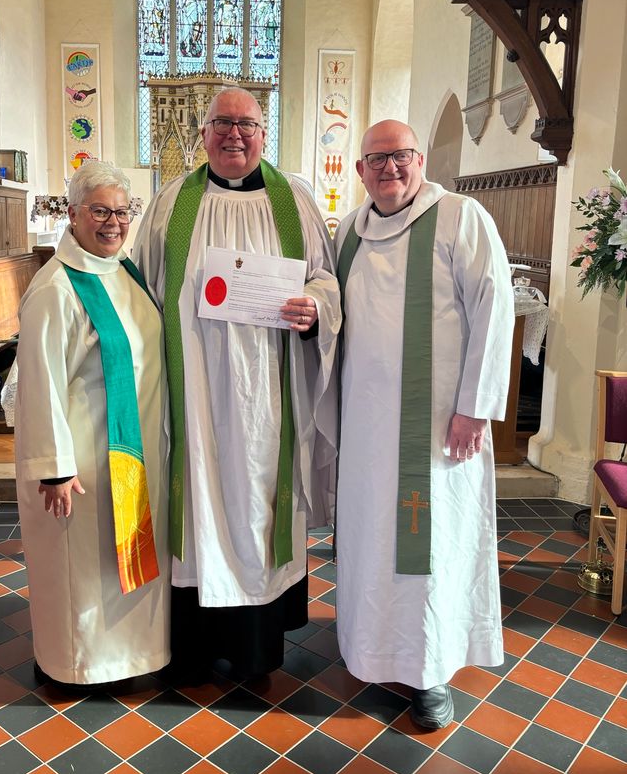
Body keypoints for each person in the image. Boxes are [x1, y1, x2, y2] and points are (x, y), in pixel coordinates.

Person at [133, 86, 340, 682]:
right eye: (221, 123)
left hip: (266, 399)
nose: (234, 135)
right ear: (202, 133)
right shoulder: (171, 205)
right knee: (196, 497)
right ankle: (194, 648)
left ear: (263, 133)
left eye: (246, 124)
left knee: (257, 498)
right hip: (191, 392)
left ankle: (257, 648)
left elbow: (325, 279)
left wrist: (314, 310)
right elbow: (144, 292)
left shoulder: (294, 202)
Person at [335, 119, 514, 729]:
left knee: (429, 549)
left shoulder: (461, 218)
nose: (389, 169)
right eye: (377, 160)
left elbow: (495, 309)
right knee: (371, 541)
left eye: (401, 156)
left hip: (436, 429)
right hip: (364, 428)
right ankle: (371, 649)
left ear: (419, 161)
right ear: (360, 171)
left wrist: (475, 407)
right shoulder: (348, 235)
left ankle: (430, 670)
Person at [13, 161, 170, 686]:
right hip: (84, 460)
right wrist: (54, 467)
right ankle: (77, 665)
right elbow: (39, 383)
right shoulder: (56, 287)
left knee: (121, 564)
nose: (113, 222)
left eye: (122, 212)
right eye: (100, 211)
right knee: (82, 571)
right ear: (74, 213)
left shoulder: (125, 269)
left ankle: (132, 658)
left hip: (134, 452)